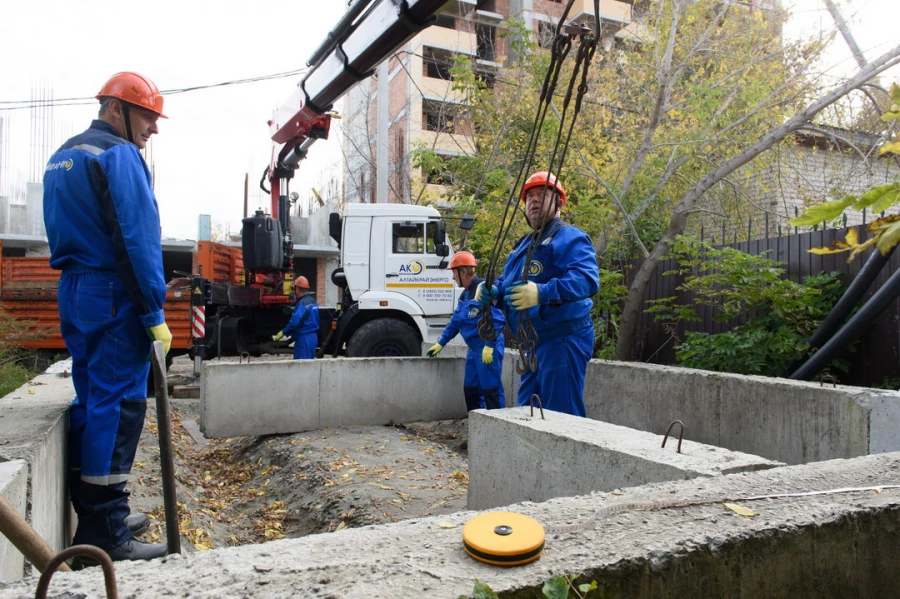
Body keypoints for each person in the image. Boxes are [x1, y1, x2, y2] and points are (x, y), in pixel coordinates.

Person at [42, 72, 170, 566]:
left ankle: (95, 516)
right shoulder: (119, 156)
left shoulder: (63, 156)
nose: (153, 129)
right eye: (148, 117)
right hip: (114, 291)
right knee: (118, 406)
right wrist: (154, 312)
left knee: (93, 399)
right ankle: (107, 530)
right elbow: (136, 239)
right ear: (115, 109)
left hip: (76, 288)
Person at [477, 171, 599, 416]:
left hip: (563, 338)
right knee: (529, 414)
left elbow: (587, 279)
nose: (533, 201)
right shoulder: (523, 245)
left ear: (559, 202)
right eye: (529, 196)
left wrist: (542, 292)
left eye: (542, 194)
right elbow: (509, 284)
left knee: (561, 416)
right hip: (533, 344)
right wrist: (494, 291)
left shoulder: (568, 237)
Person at [427, 251, 505, 411]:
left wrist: (490, 345)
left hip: (487, 347)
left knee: (491, 389)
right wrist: (440, 343)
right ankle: (476, 425)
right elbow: (456, 321)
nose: (453, 277)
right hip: (474, 349)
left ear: (463, 272)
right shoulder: (464, 296)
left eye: (454, 273)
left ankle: (496, 429)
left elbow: (497, 319)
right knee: (470, 389)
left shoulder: (484, 291)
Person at [273, 276, 320, 359]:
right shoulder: (312, 301)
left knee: (302, 368)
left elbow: (295, 322)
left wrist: (283, 332)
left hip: (304, 339)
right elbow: (307, 316)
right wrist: (294, 309)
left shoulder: (302, 303)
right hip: (312, 338)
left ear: (297, 289)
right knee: (308, 366)